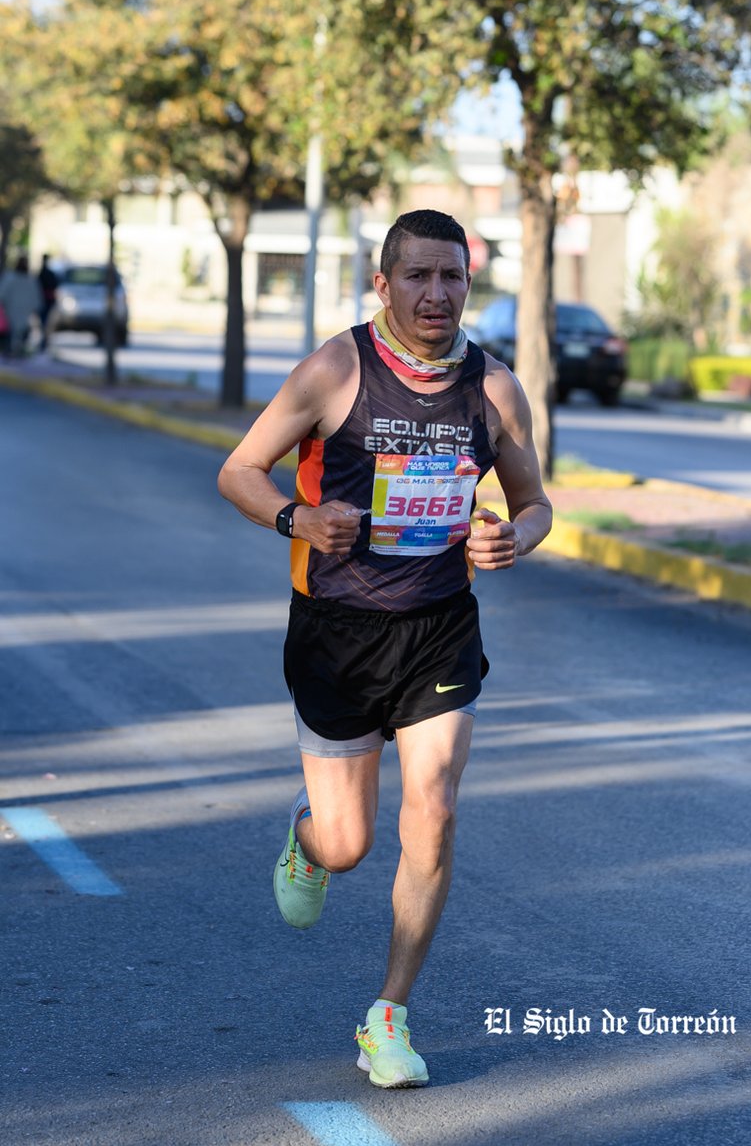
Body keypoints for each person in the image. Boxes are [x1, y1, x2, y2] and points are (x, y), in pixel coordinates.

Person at [218, 209, 552, 1088]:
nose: (437, 294)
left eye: (453, 277)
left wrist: (515, 538)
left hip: (439, 625)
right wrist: (299, 518)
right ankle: (306, 838)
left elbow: (534, 501)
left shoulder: (495, 390)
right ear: (384, 283)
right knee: (348, 843)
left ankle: (389, 1015)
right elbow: (238, 471)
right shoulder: (337, 370)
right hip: (337, 632)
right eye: (418, 277)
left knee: (434, 809)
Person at [0, 255, 42, 357]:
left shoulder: (28, 280)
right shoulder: (13, 278)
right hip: (13, 311)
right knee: (14, 334)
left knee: (18, 334)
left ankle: (15, 352)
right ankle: (12, 351)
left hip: (18, 311)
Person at [37, 253, 59, 351]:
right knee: (44, 321)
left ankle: (44, 340)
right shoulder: (45, 273)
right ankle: (44, 340)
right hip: (46, 300)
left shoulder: (44, 273)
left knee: (45, 321)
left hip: (46, 299)